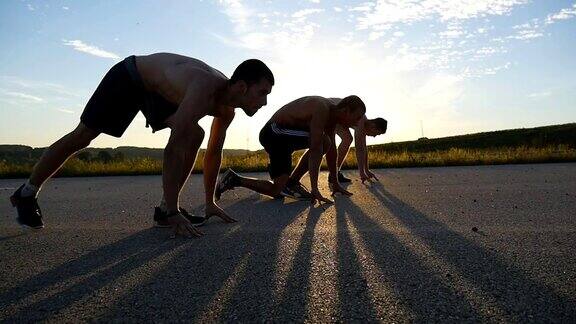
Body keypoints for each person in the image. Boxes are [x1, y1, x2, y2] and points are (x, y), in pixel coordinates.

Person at [10, 53, 274, 237]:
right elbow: (174, 148)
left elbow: (214, 152)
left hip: (160, 91)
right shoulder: (204, 89)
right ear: (241, 86)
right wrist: (175, 211)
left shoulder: (227, 110)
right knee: (83, 136)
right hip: (131, 76)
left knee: (195, 134)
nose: (264, 103)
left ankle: (162, 209)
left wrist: (209, 202)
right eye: (262, 93)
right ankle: (26, 192)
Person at [216, 95, 366, 204]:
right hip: (274, 132)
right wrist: (315, 189)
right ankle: (292, 182)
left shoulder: (332, 118)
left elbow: (332, 151)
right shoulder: (322, 108)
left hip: (284, 137)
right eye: (357, 117)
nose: (358, 122)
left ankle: (234, 179)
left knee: (277, 190)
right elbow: (315, 148)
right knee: (321, 141)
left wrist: (335, 181)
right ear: (346, 111)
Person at [333, 105, 387, 183]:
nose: (374, 136)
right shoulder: (361, 120)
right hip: (330, 111)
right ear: (373, 126)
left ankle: (334, 172)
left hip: (338, 117)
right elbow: (359, 149)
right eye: (377, 134)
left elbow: (363, 148)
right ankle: (334, 173)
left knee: (347, 139)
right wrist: (362, 173)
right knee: (347, 139)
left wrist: (367, 170)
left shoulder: (364, 125)